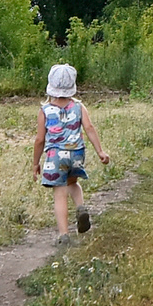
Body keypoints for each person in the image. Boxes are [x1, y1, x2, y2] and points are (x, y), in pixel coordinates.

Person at [35, 64, 109, 236]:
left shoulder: (45, 111)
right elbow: (89, 128)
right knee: (73, 183)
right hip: (77, 153)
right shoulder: (78, 107)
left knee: (60, 194)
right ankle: (80, 207)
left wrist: (35, 163)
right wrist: (100, 152)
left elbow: (40, 140)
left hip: (55, 156)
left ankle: (64, 235)